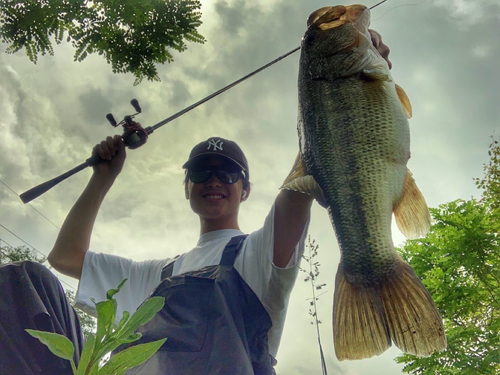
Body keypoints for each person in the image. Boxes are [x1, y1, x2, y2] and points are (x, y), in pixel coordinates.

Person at [0, 29, 393, 375]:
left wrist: (349, 88)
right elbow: (65, 257)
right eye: (202, 172)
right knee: (21, 281)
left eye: (228, 172)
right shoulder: (155, 275)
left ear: (246, 189)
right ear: (187, 187)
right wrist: (103, 178)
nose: (214, 181)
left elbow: (305, 175)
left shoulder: (258, 253)